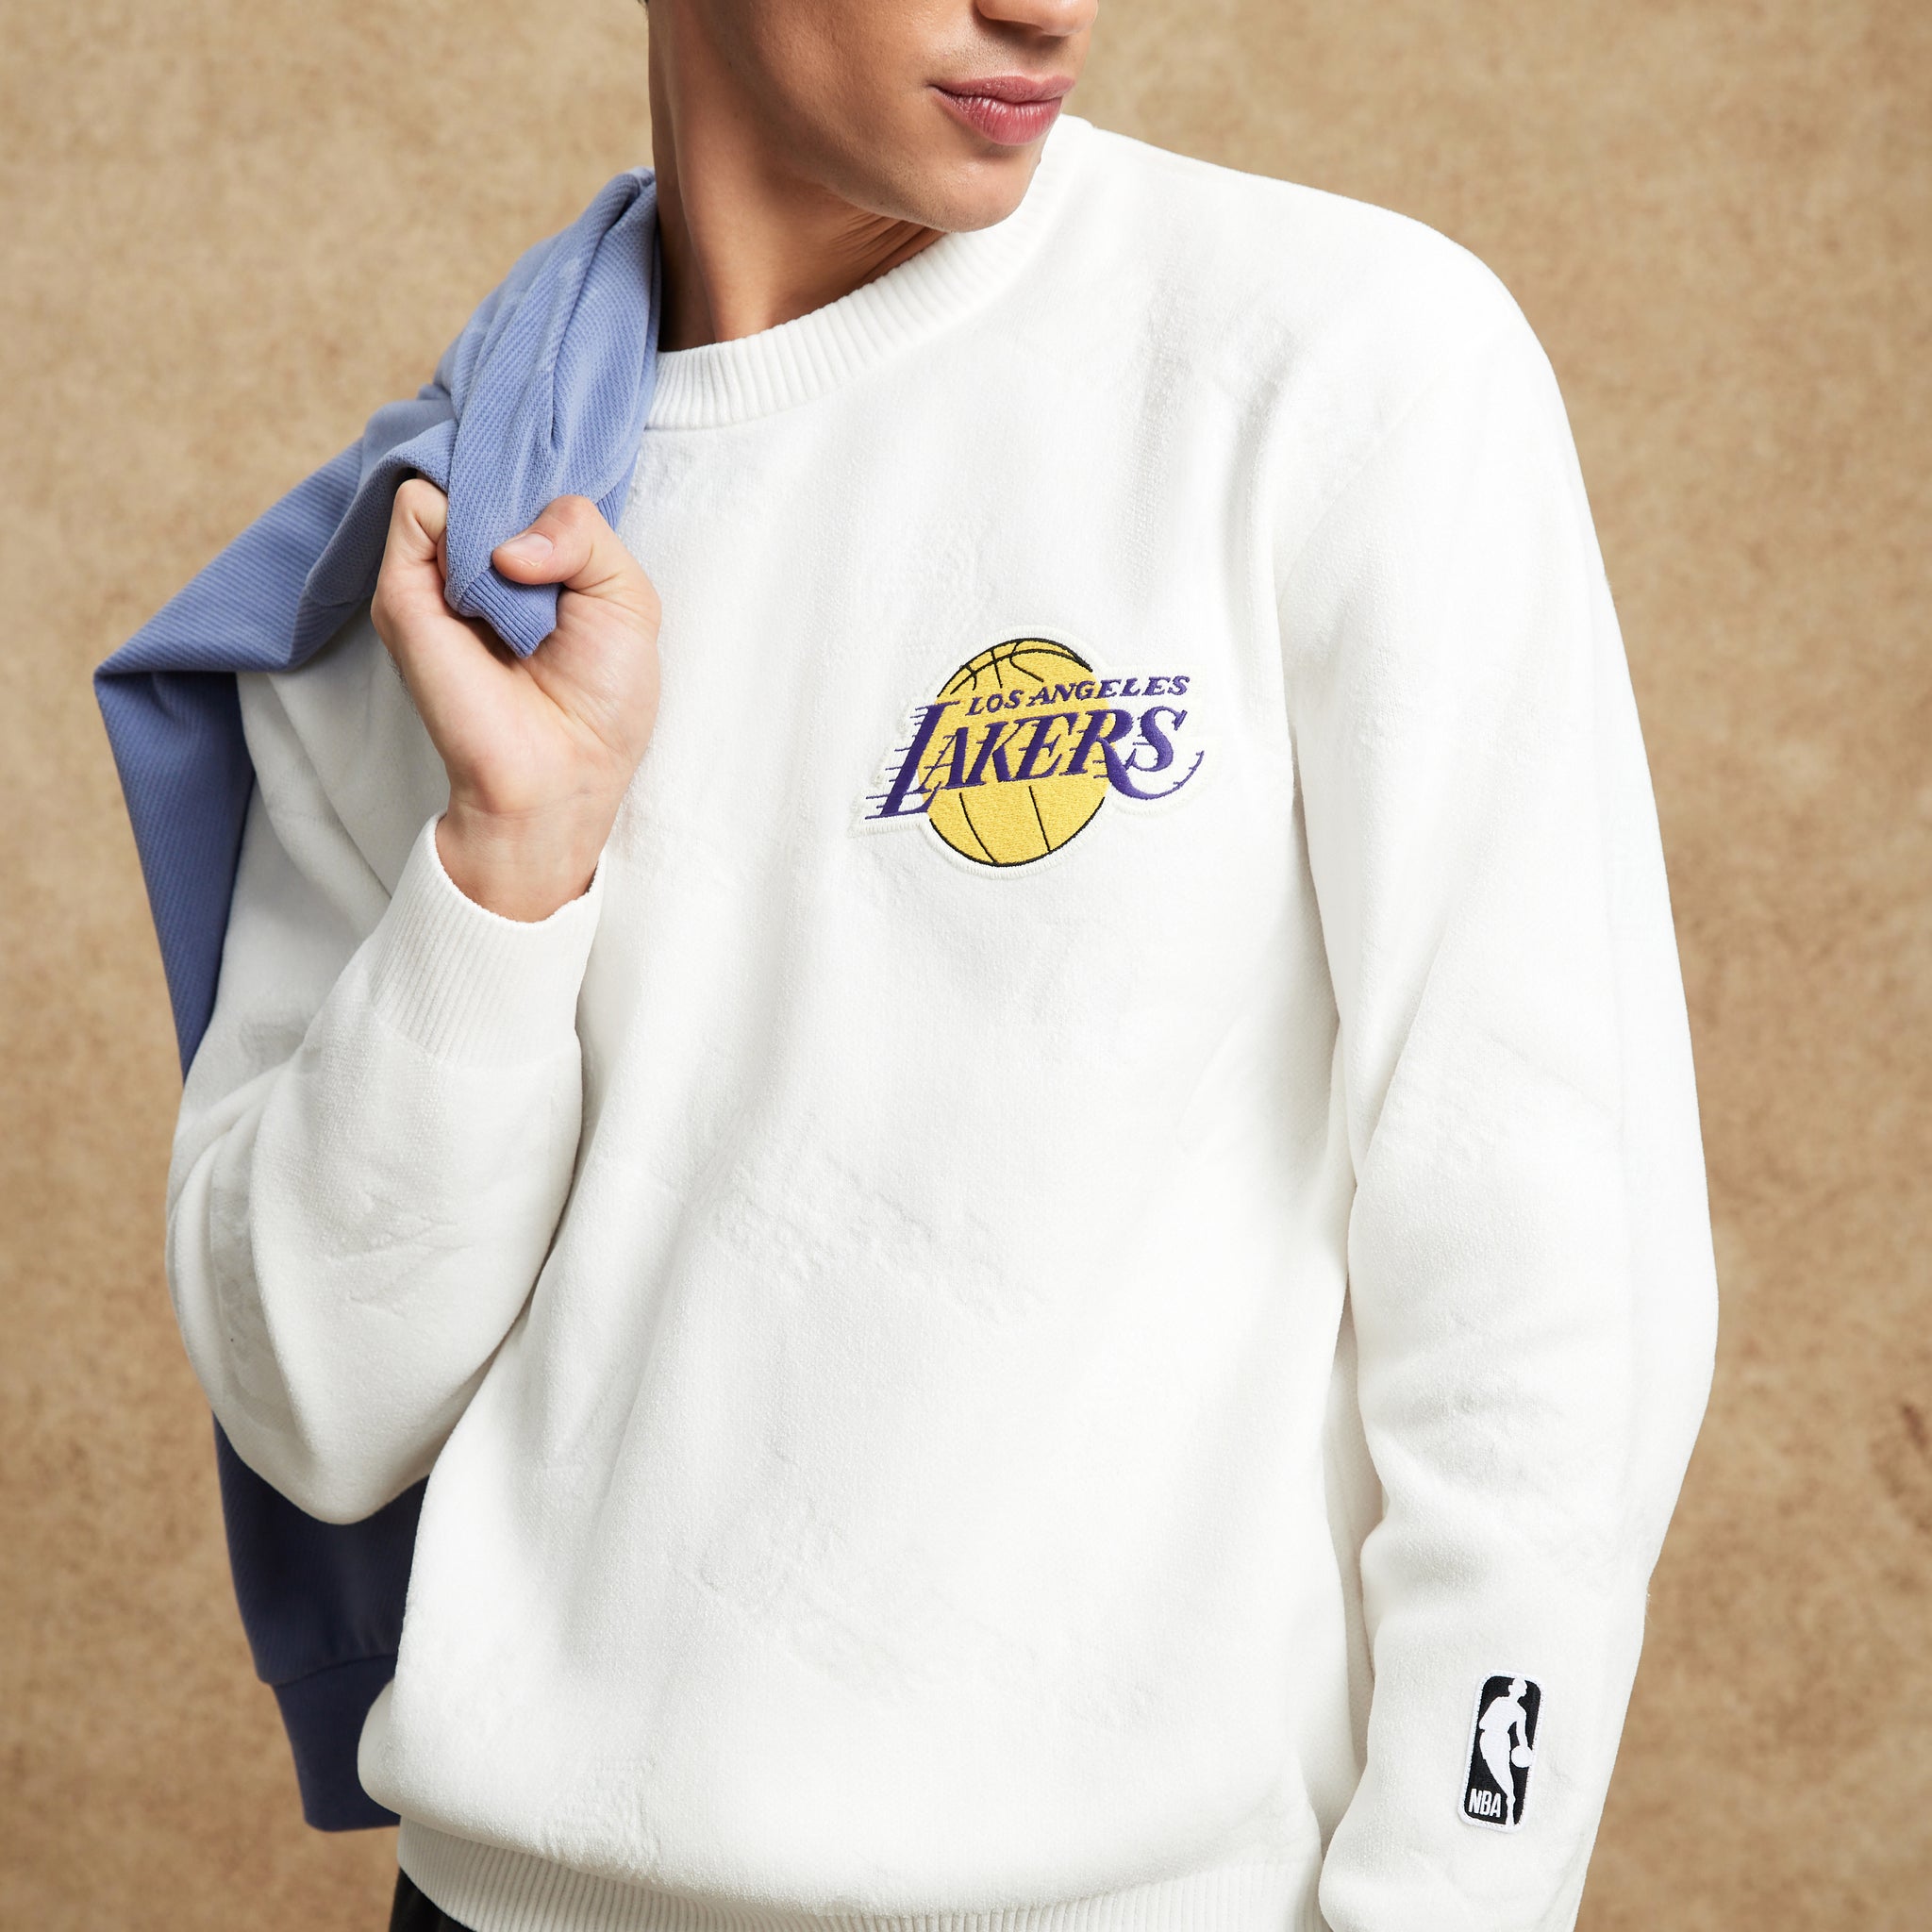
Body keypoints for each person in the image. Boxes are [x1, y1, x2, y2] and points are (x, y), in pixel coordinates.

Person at [156, 0, 1719, 1927]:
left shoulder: (1340, 366)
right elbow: (317, 1406)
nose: (1049, 7)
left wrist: (1459, 1895)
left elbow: (1552, 1279)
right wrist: (507, 864)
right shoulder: (459, 542)